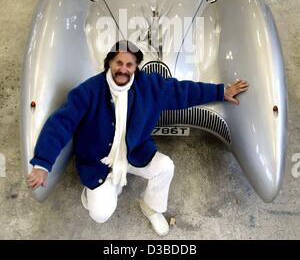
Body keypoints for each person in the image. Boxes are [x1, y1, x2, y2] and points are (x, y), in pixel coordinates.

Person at [27, 40, 249, 237]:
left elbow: (184, 91)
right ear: (109, 64)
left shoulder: (150, 86)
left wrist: (221, 92)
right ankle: (96, 188)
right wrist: (42, 164)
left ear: (135, 67)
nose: (123, 69)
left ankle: (150, 207)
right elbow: (61, 124)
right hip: (99, 161)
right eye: (118, 63)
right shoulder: (88, 91)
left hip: (134, 154)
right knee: (100, 214)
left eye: (129, 64)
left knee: (165, 167)